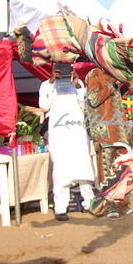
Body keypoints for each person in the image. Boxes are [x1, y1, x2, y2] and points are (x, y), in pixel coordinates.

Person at [39, 65, 95, 221]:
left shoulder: (78, 85)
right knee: (60, 169)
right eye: (59, 71)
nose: (62, 73)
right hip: (59, 134)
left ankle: (89, 203)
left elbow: (85, 105)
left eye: (65, 70)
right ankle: (60, 208)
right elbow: (44, 105)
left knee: (83, 166)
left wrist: (77, 84)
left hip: (77, 132)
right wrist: (51, 81)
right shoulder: (46, 85)